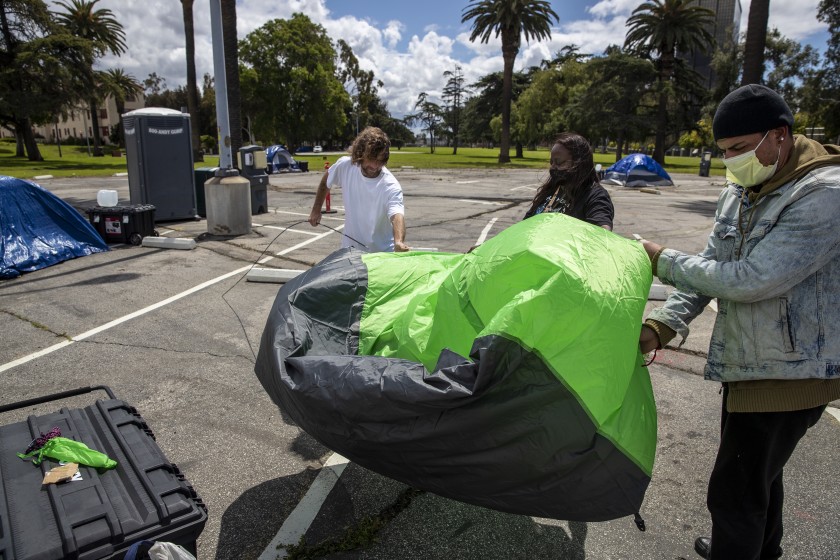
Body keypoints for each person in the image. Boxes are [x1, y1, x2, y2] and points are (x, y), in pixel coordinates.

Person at [636, 84, 840, 559]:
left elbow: (751, 279)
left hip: (789, 370)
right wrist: (662, 326)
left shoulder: (823, 195)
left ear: (780, 136)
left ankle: (738, 550)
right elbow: (713, 261)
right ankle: (758, 550)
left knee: (735, 489)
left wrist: (661, 260)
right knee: (760, 477)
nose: (730, 161)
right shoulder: (744, 186)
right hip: (752, 362)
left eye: (739, 149)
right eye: (724, 151)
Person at [308, 127, 408, 252]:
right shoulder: (345, 166)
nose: (375, 166)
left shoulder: (390, 185)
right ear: (360, 153)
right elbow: (326, 182)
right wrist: (316, 210)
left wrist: (398, 241)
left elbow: (397, 215)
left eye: (380, 160)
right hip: (349, 251)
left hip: (381, 254)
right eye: (371, 159)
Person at [524, 132, 614, 230]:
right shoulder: (552, 189)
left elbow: (602, 230)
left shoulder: (595, 196)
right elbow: (525, 223)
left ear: (579, 163)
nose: (553, 167)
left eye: (559, 163)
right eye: (551, 162)